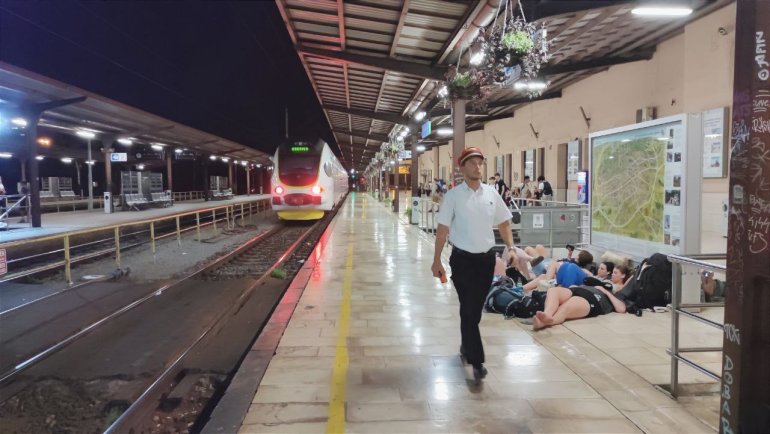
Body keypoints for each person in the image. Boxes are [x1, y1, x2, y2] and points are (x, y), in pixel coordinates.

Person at [432, 147, 515, 385]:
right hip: (462, 260)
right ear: (462, 167)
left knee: (473, 310)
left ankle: (466, 345)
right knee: (469, 309)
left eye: (480, 163)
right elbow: (442, 230)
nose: (477, 167)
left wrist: (511, 247)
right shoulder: (453, 196)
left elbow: (504, 222)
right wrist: (436, 260)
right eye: (472, 163)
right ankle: (477, 362)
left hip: (485, 260)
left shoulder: (491, 194)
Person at [533, 283, 627, 330]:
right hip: (578, 290)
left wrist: (605, 291)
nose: (613, 275)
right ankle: (547, 314)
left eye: (616, 273)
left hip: (592, 300)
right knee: (553, 291)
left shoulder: (617, 295)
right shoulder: (602, 280)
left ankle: (545, 322)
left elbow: (621, 309)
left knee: (567, 306)